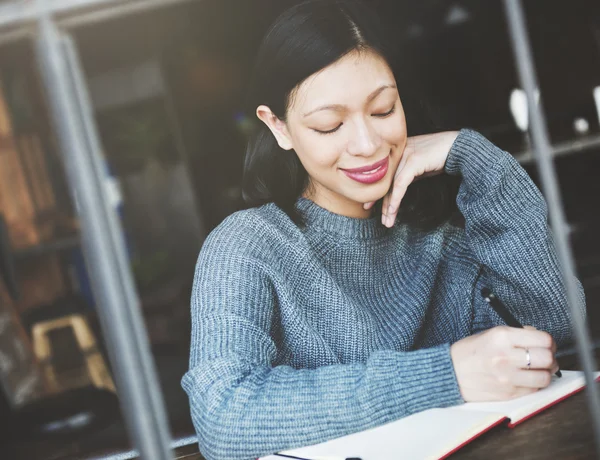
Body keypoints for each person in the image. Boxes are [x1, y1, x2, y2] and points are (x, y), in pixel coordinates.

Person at [181, 1, 585, 459]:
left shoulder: (444, 235)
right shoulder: (246, 247)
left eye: (383, 109)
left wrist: (477, 159)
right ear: (278, 126)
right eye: (329, 125)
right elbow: (224, 419)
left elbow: (559, 327)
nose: (367, 145)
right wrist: (445, 375)